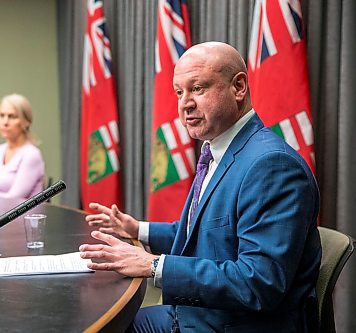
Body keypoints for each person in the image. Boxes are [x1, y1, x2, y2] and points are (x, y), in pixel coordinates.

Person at [79, 42, 321, 333]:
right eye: (179, 92)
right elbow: (207, 234)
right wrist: (137, 230)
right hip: (198, 314)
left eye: (198, 88)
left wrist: (154, 265)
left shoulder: (272, 166)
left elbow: (259, 283)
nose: (185, 103)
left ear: (239, 87)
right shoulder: (218, 151)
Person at [0, 94, 44, 201]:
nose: (5, 122)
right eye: (1, 115)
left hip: (21, 217)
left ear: (26, 122)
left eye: (12, 116)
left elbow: (13, 200)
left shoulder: (31, 155)